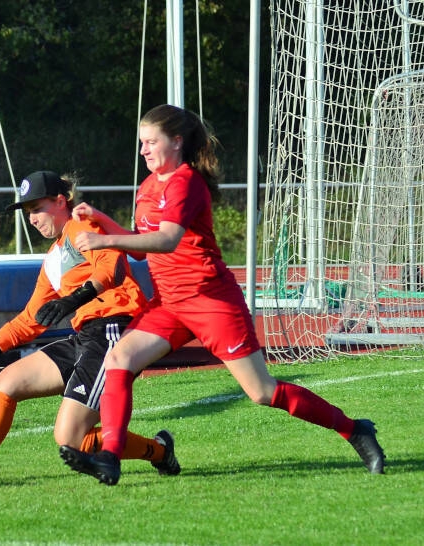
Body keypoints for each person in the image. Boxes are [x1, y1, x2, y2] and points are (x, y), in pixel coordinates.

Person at [59, 104, 386, 485]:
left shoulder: (185, 182)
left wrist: (104, 237)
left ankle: (353, 429)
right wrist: (105, 220)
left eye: (151, 142)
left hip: (211, 301)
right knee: (120, 357)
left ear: (177, 142)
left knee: (262, 391)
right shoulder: (148, 186)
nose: (144, 150)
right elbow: (141, 249)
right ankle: (110, 456)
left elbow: (167, 239)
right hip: (170, 304)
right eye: (142, 143)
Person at [0, 170, 180, 484]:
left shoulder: (81, 226)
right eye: (27, 212)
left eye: (36, 208)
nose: (32, 219)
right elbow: (31, 317)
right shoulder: (53, 257)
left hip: (111, 333)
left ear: (61, 201)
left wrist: (72, 300)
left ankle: (159, 452)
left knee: (70, 440)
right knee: (6, 383)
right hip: (84, 337)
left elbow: (112, 268)